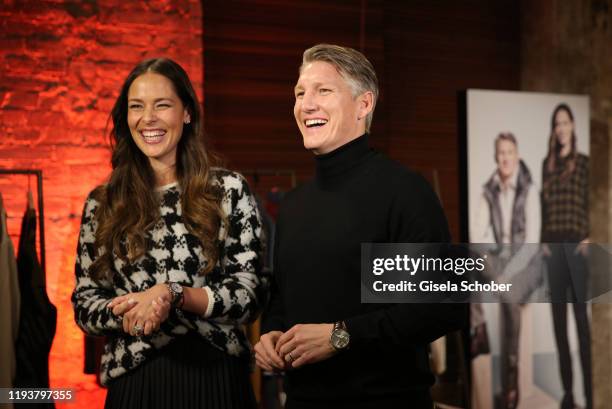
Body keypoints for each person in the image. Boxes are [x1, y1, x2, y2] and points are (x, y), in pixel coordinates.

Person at [254, 44, 467, 409]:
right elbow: (284, 298)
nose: (306, 104)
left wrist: (340, 336)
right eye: (300, 92)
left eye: (324, 91)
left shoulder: (404, 192)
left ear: (364, 104)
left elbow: (442, 306)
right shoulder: (292, 206)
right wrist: (272, 333)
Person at [71, 57, 266, 409]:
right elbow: (85, 305)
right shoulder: (103, 204)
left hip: (217, 380)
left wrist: (173, 295)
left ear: (186, 113)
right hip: (135, 384)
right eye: (136, 107)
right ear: (126, 117)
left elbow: (248, 295)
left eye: (162, 105)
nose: (148, 118)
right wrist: (136, 311)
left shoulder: (229, 190)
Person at [471, 133, 542, 409]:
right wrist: (493, 262)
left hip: (529, 262)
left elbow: (533, 242)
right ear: (495, 157)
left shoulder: (530, 190)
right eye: (501, 153)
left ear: (517, 155)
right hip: (501, 261)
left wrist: (506, 274)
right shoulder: (488, 190)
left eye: (510, 152)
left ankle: (510, 387)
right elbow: (477, 235)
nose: (505, 158)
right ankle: (479, 330)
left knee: (509, 296)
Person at [541, 103, 591, 409]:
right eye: (557, 124)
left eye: (565, 123)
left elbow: (592, 201)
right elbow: (543, 210)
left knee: (582, 326)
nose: (561, 129)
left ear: (572, 126)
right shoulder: (548, 164)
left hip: (576, 246)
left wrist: (590, 234)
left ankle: (589, 395)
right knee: (559, 326)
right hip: (553, 249)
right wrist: (543, 244)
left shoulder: (584, 163)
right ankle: (569, 395)